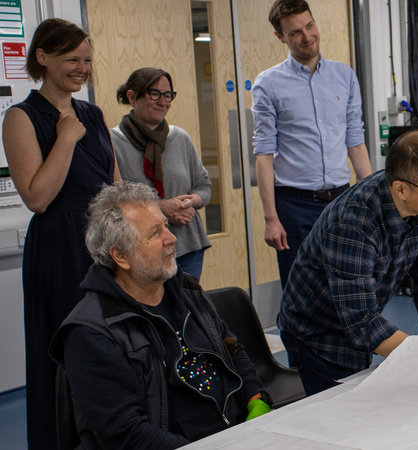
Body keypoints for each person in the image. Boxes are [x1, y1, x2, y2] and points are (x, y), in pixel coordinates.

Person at [50, 181, 271, 449]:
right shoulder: (90, 332)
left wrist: (255, 398)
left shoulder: (185, 289)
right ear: (121, 256)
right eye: (156, 233)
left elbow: (232, 348)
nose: (172, 237)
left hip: (234, 434)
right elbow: (128, 434)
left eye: (166, 225)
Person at [0, 18, 119, 449]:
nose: (81, 68)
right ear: (42, 57)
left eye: (87, 60)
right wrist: (65, 139)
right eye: (72, 59)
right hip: (59, 247)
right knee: (67, 348)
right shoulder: (21, 117)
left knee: (110, 345)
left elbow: (114, 185)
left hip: (103, 242)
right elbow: (37, 197)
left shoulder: (93, 113)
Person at [277, 130, 418, 395]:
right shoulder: (354, 223)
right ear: (401, 188)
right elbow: (361, 320)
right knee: (338, 414)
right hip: (317, 333)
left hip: (357, 322)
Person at [252, 0, 372, 286]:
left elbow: (355, 142)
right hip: (294, 206)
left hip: (343, 201)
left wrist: (371, 200)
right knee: (301, 292)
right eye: (295, 32)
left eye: (310, 26)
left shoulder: (345, 76)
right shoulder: (268, 84)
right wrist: (271, 218)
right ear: (280, 37)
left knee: (347, 286)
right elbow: (264, 154)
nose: (307, 37)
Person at [112, 67, 212, 279]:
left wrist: (190, 202)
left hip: (187, 245)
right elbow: (114, 202)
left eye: (168, 95)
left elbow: (204, 185)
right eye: (154, 94)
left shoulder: (180, 138)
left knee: (188, 309)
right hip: (141, 251)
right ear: (132, 96)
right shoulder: (113, 142)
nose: (163, 102)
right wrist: (162, 208)